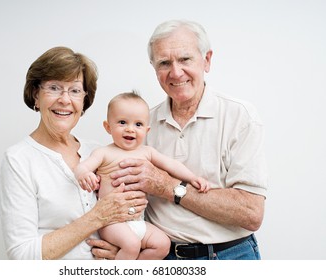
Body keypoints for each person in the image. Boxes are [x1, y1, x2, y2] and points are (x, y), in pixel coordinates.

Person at [90, 20, 268, 260]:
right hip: (159, 255)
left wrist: (168, 187)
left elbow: (251, 213)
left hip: (230, 256)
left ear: (207, 60)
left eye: (185, 59)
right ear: (154, 69)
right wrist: (122, 243)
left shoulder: (240, 116)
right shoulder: (141, 124)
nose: (175, 72)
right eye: (164, 63)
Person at [0, 46, 148, 260]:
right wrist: (97, 217)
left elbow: (124, 216)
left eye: (75, 90)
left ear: (84, 100)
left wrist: (123, 248)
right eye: (54, 88)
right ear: (36, 95)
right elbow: (22, 257)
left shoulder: (97, 151)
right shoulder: (18, 160)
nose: (65, 100)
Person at [74, 91, 211, 260]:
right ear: (108, 127)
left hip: (138, 221)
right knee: (131, 245)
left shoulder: (147, 152)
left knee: (162, 245)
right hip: (112, 222)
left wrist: (192, 178)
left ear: (147, 130)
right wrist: (85, 175)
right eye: (122, 122)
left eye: (138, 124)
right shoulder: (103, 153)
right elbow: (82, 167)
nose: (130, 129)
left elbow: (171, 165)